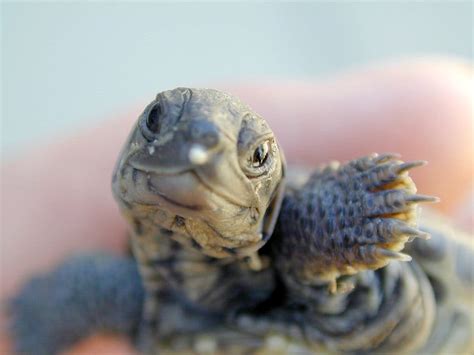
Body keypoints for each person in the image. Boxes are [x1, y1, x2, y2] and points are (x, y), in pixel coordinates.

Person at [2, 58, 472, 354]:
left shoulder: (315, 238)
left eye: (255, 158)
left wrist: (341, 225)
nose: (199, 153)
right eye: (159, 123)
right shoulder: (126, 294)